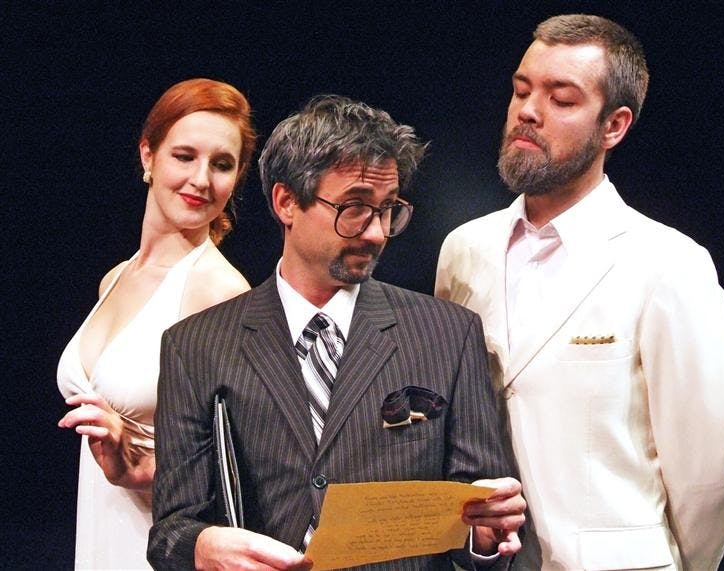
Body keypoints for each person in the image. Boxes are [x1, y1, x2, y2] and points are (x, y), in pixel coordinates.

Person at [147, 94, 526, 570]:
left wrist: (486, 536)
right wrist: (204, 547)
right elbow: (169, 531)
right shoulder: (194, 346)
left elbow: (480, 517)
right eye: (355, 207)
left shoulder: (448, 334)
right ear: (286, 202)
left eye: (388, 208)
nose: (376, 232)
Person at [436, 14, 724, 570]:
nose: (528, 111)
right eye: (521, 90)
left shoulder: (668, 263)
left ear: (614, 126)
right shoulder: (464, 249)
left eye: (561, 99)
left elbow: (709, 474)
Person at [57, 78, 256, 569]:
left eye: (222, 164)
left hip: (162, 544)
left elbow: (241, 458)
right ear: (148, 155)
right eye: (184, 156)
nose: (201, 179)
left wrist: (138, 465)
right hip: (102, 527)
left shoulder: (220, 290)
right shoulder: (116, 278)